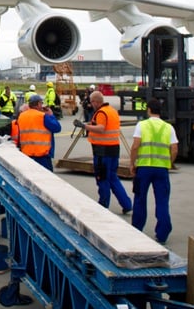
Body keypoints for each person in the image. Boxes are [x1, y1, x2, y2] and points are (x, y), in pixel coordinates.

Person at [129, 99, 178, 244]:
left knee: (140, 199)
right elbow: (174, 149)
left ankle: (137, 229)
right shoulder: (168, 127)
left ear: (149, 110)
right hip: (161, 169)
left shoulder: (142, 125)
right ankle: (162, 233)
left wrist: (132, 163)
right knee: (162, 201)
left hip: (144, 168)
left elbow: (135, 146)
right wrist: (169, 163)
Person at [75, 90, 133, 214]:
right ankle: (126, 203)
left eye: (92, 102)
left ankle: (103, 204)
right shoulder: (112, 111)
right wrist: (89, 124)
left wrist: (84, 126)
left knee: (102, 178)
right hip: (113, 149)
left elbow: (101, 128)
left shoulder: (101, 112)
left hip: (102, 151)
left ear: (96, 102)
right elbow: (102, 124)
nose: (91, 105)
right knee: (113, 178)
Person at [13, 94, 62, 170]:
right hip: (42, 156)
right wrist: (51, 115)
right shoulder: (42, 116)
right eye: (41, 103)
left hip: (26, 154)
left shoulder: (21, 116)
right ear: (38, 103)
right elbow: (57, 128)